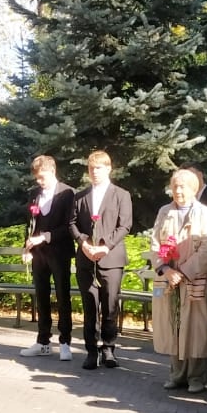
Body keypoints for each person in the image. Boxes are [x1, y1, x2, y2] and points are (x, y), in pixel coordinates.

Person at [150, 170, 207, 392]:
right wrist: (166, 270)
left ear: (194, 189)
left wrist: (185, 271)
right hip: (169, 280)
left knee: (196, 329)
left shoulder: (206, 214)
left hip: (194, 279)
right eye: (175, 186)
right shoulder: (164, 211)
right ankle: (177, 374)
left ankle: (197, 377)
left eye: (183, 186)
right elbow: (155, 244)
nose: (178, 191)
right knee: (174, 325)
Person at [69, 150, 134, 370]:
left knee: (110, 306)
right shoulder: (80, 196)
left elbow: (125, 225)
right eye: (91, 168)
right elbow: (72, 223)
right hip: (86, 258)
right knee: (89, 306)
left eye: (99, 168)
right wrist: (83, 243)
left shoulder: (121, 195)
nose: (94, 172)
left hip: (111, 258)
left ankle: (108, 348)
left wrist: (106, 246)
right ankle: (91, 350)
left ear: (108, 169)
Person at [19, 155, 76, 362]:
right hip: (38, 254)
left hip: (59, 252)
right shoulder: (34, 194)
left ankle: (65, 342)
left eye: (42, 177)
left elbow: (70, 227)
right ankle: (43, 342)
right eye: (36, 178)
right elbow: (30, 224)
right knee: (41, 296)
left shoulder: (67, 193)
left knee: (62, 296)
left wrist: (45, 237)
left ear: (52, 171)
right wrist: (26, 247)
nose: (39, 181)